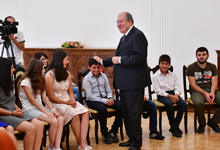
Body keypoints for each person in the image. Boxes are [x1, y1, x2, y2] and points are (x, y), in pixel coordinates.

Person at [94, 12, 149, 150]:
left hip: (134, 83)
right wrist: (102, 62)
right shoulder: (125, 37)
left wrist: (121, 60)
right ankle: (131, 139)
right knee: (127, 113)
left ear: (130, 21)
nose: (118, 24)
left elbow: (139, 57)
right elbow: (116, 58)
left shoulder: (137, 35)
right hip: (126, 83)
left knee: (134, 114)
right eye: (117, 22)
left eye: (121, 21)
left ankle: (136, 143)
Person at [45, 48, 92, 150]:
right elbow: (51, 97)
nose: (68, 61)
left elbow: (70, 91)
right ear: (59, 60)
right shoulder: (49, 76)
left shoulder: (67, 74)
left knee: (85, 112)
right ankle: (81, 144)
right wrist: (66, 102)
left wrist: (73, 101)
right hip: (55, 104)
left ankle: (82, 143)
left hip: (67, 101)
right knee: (74, 115)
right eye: (66, 59)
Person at [19, 58, 64, 150]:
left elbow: (44, 98)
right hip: (29, 110)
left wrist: (52, 110)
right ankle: (51, 147)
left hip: (38, 109)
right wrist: (46, 112)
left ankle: (56, 147)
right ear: (36, 70)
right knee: (54, 120)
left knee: (60, 119)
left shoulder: (41, 79)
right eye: (43, 68)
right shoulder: (25, 82)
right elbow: (32, 101)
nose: (44, 70)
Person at [0, 57, 44, 150]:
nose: (14, 69)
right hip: (4, 115)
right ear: (4, 70)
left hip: (13, 112)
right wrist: (12, 113)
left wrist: (18, 110)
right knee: (31, 128)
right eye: (12, 67)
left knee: (39, 124)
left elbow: (11, 101)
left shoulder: (8, 82)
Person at [83, 58, 122, 144]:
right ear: (89, 67)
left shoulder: (104, 76)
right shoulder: (87, 79)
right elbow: (89, 95)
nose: (96, 70)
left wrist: (110, 98)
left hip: (105, 98)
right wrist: (105, 101)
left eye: (98, 67)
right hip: (92, 101)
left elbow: (108, 90)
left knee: (121, 107)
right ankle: (104, 133)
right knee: (102, 109)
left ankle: (113, 131)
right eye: (94, 68)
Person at [186, 47, 220, 133]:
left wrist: (212, 92)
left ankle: (213, 121)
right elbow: (193, 85)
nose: (201, 57)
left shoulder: (212, 66)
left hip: (211, 89)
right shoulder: (191, 67)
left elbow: (214, 82)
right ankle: (202, 123)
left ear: (207, 56)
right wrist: (205, 93)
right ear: (196, 56)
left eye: (203, 54)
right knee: (198, 103)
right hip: (197, 90)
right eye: (199, 55)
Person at [152, 54, 186, 137]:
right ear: (159, 64)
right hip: (162, 95)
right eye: (162, 63)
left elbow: (177, 87)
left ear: (169, 65)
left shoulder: (173, 75)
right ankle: (172, 125)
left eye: (166, 64)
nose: (164, 66)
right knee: (168, 104)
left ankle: (175, 125)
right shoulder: (155, 76)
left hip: (174, 94)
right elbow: (157, 90)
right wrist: (169, 96)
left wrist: (176, 95)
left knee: (183, 104)